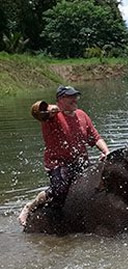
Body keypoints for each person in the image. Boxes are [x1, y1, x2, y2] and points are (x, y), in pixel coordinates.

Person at [18, 85, 109, 226]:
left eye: (75, 96)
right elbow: (37, 110)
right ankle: (31, 205)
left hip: (81, 161)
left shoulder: (82, 115)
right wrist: (51, 108)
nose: (75, 99)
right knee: (60, 190)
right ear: (61, 99)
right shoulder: (51, 116)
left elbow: (95, 137)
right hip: (58, 163)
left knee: (100, 182)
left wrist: (106, 152)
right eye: (70, 97)